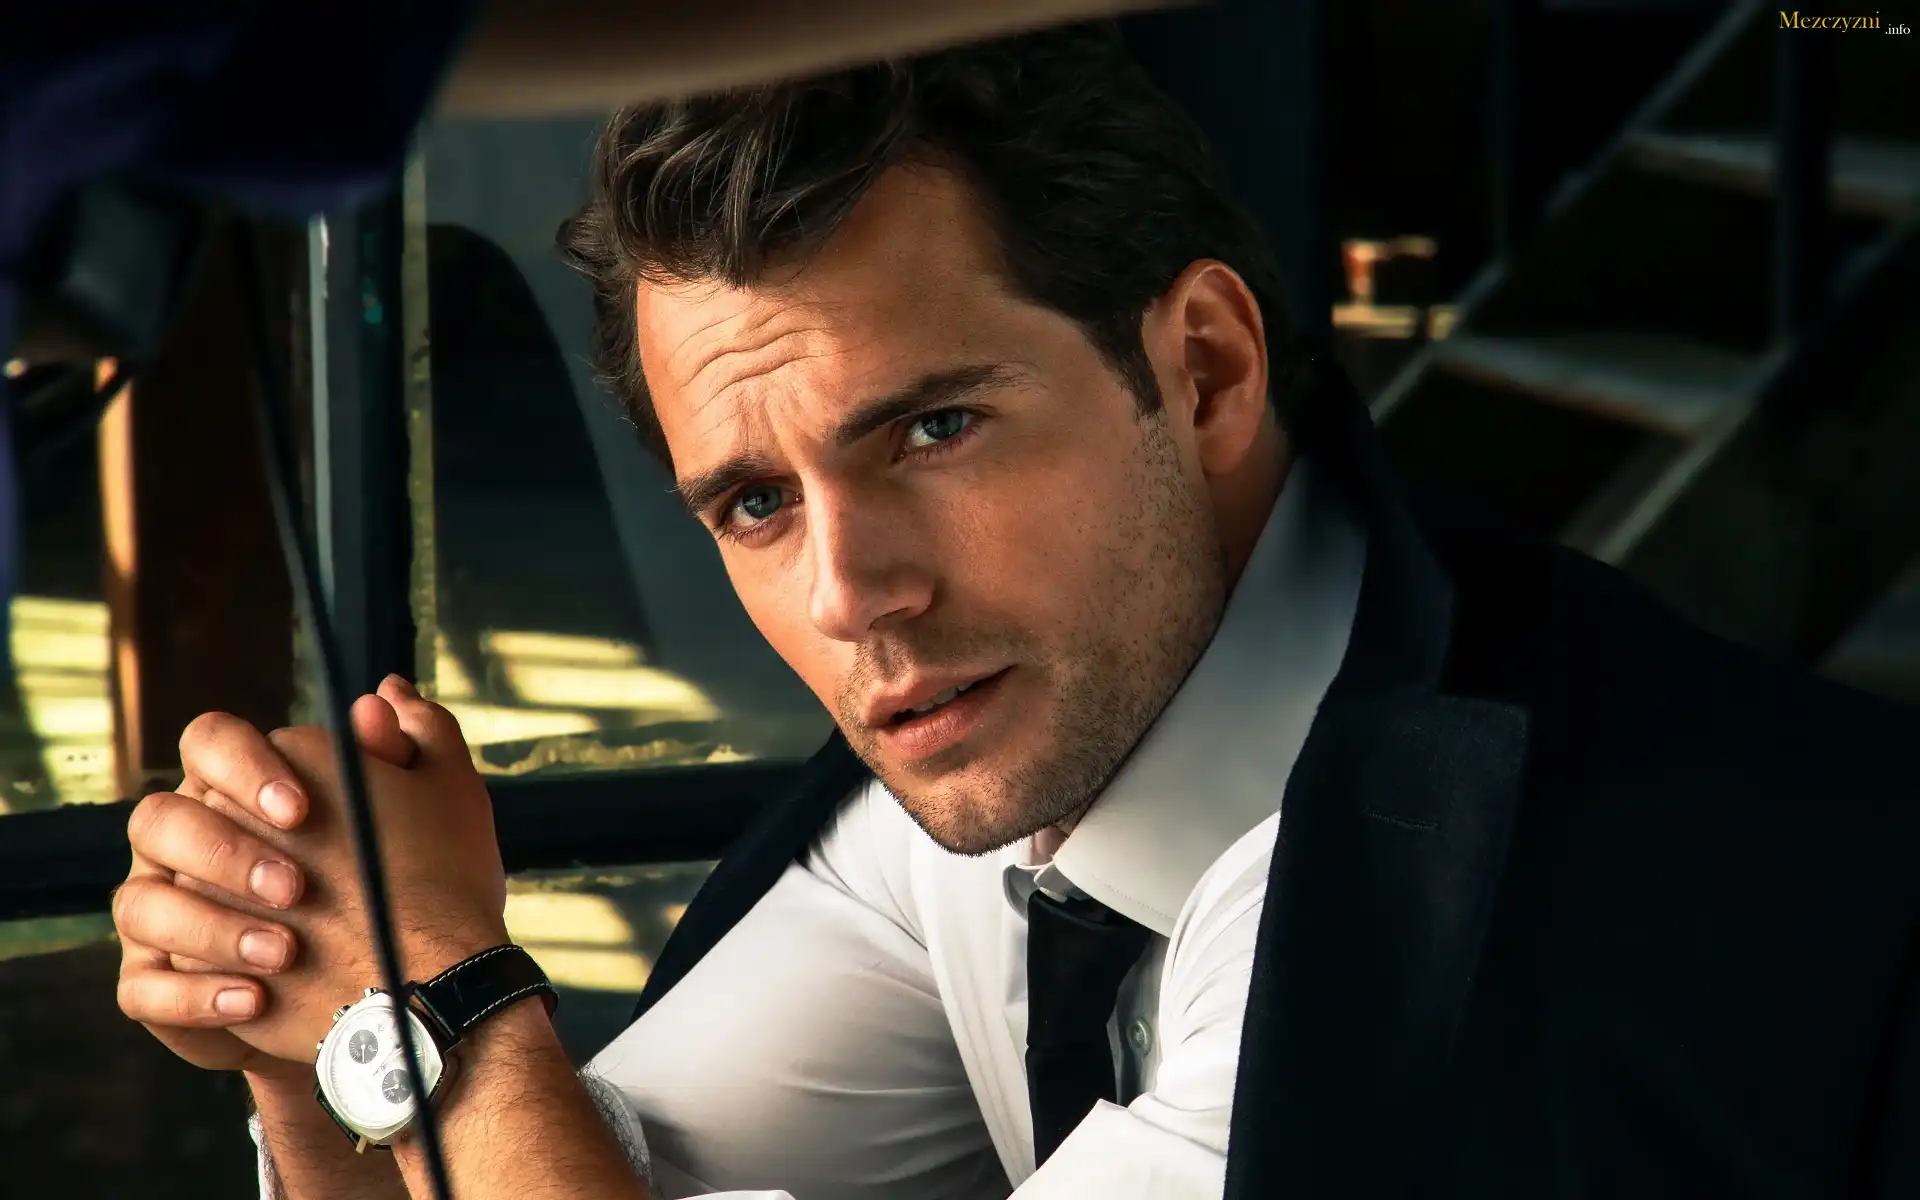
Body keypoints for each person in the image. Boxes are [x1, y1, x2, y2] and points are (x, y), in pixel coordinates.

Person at [109, 20, 1920, 1200]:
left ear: (1203, 368)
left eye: (935, 430)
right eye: (754, 503)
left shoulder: (1463, 893)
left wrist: (445, 994)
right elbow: (567, 1167)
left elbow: (510, 1131)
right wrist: (316, 1025)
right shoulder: (994, 774)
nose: (852, 596)